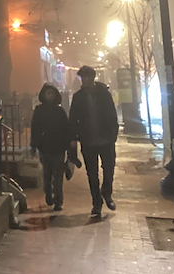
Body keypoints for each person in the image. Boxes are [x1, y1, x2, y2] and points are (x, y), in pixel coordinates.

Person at [68, 64, 119, 217]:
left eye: (87, 77)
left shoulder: (104, 94)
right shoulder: (78, 97)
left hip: (105, 139)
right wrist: (73, 138)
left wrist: (113, 135)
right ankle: (96, 202)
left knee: (109, 168)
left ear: (93, 77)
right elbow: (73, 118)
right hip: (88, 139)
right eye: (82, 77)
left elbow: (111, 114)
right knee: (92, 173)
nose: (85, 80)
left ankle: (107, 192)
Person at [29, 82, 73, 210]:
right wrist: (34, 144)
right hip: (45, 147)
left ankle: (58, 199)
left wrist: (69, 145)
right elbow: (35, 128)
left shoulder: (60, 112)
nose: (50, 96)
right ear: (43, 95)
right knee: (47, 174)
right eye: (48, 93)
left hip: (59, 148)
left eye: (52, 93)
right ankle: (48, 193)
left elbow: (66, 128)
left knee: (58, 176)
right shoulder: (39, 111)